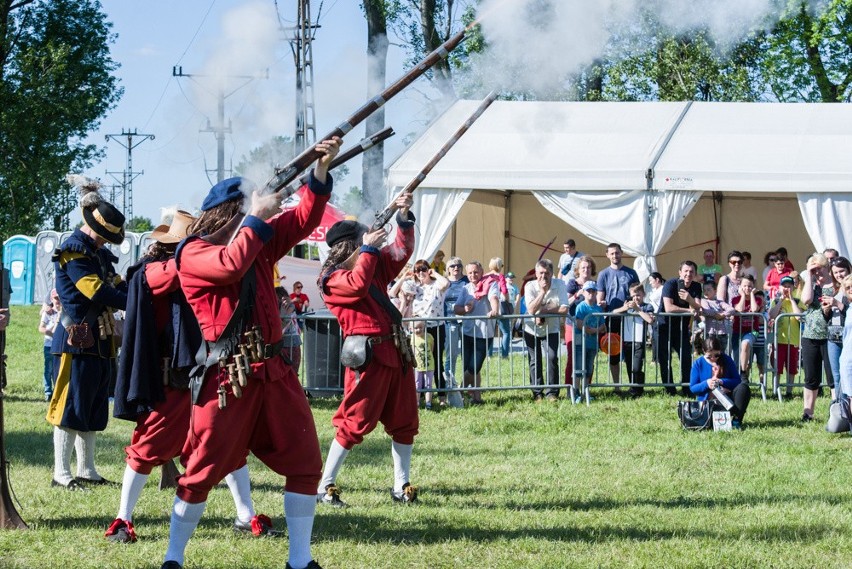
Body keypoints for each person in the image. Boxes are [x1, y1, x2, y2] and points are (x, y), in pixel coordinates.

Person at [161, 137, 341, 569]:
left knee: (304, 462)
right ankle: (173, 558)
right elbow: (230, 265)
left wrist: (319, 170)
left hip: (274, 373)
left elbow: (302, 219)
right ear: (228, 213)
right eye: (245, 210)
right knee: (202, 469)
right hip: (228, 377)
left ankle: (300, 560)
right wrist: (257, 219)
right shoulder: (194, 253)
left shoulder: (255, 239)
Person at [106, 211, 277, 545]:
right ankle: (122, 518)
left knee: (228, 443)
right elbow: (179, 272)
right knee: (147, 447)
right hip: (171, 381)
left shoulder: (199, 264)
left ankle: (246, 515)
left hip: (206, 372)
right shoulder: (152, 271)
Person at [315, 193, 419, 509]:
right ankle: (325, 484)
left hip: (395, 351)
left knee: (404, 421)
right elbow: (357, 285)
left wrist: (403, 218)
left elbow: (402, 252)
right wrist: (371, 248)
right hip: (368, 357)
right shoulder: (331, 279)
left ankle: (402, 485)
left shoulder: (370, 265)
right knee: (353, 422)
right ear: (351, 246)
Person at [47, 180, 128, 491]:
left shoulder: (98, 254)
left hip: (99, 339)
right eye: (106, 236)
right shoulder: (73, 250)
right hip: (75, 338)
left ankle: (87, 469)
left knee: (92, 405)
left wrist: (140, 289)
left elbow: (117, 283)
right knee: (69, 406)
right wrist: (132, 302)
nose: (107, 242)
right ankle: (60, 473)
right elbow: (94, 290)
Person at [454, 261, 500, 405]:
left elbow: (494, 298)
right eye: (470, 273)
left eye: (476, 272)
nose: (473, 275)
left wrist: (494, 310)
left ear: (482, 271)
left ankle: (458, 391)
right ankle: (477, 398)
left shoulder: (491, 284)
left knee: (474, 368)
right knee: (470, 368)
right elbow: (456, 309)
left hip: (485, 334)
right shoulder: (466, 288)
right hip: (467, 332)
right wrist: (465, 310)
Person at [523, 259, 568, 401]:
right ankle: (537, 393)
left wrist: (544, 310)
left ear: (552, 273)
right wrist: (542, 292)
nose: (544, 276)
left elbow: (564, 308)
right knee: (534, 361)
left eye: (547, 273)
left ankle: (552, 393)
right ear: (536, 273)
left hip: (552, 329)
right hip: (531, 329)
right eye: (541, 273)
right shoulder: (529, 285)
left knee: (552, 358)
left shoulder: (560, 284)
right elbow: (531, 309)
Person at [596, 243, 640, 386]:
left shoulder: (631, 273)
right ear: (607, 255)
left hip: (629, 318)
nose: (615, 255)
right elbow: (600, 296)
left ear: (622, 253)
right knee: (614, 353)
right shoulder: (603, 274)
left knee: (630, 352)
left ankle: (633, 385)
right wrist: (601, 303)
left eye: (617, 253)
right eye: (612, 253)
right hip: (612, 317)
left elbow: (638, 293)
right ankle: (617, 385)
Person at [656, 261, 702, 395]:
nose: (688, 274)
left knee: (686, 358)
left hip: (681, 328)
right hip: (664, 326)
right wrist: (689, 310)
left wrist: (689, 299)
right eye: (686, 271)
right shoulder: (670, 284)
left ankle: (687, 388)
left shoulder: (696, 286)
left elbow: (698, 307)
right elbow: (669, 308)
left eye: (691, 271)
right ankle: (670, 390)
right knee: (665, 359)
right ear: (680, 272)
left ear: (695, 274)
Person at [798, 253, 834, 422]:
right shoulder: (811, 284)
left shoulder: (834, 285)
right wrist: (809, 276)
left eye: (819, 268)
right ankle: (808, 413)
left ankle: (836, 410)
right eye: (814, 269)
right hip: (810, 335)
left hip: (831, 336)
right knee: (811, 377)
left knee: (832, 376)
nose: (817, 272)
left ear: (826, 267)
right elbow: (806, 300)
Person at [690, 337, 751, 428]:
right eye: (709, 356)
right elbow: (693, 388)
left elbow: (737, 380)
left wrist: (722, 382)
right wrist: (707, 383)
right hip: (708, 404)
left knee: (743, 388)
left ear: (720, 351)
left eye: (716, 355)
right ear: (703, 351)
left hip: (728, 402)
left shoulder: (727, 360)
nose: (713, 358)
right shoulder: (698, 363)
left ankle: (737, 420)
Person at [611, 283, 654, 398]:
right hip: (627, 341)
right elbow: (613, 313)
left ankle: (637, 388)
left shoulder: (647, 306)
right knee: (630, 366)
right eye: (633, 296)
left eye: (638, 295)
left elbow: (650, 319)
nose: (636, 298)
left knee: (636, 367)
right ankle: (634, 388)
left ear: (643, 294)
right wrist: (624, 308)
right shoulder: (627, 306)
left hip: (639, 341)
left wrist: (638, 309)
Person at [563, 256, 597, 385]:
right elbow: (566, 303)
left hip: (591, 326)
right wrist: (578, 294)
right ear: (578, 269)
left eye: (588, 267)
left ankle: (586, 388)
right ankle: (570, 388)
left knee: (589, 357)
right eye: (583, 267)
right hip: (573, 325)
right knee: (573, 357)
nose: (586, 270)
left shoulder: (595, 284)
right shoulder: (573, 283)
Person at [768, 275, 802, 398]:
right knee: (777, 367)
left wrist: (792, 300)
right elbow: (771, 315)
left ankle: (789, 391)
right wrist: (781, 300)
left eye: (789, 286)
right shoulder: (776, 301)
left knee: (792, 367)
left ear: (793, 287)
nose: (787, 289)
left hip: (792, 340)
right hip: (779, 340)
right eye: (784, 286)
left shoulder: (798, 301)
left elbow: (799, 316)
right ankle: (776, 390)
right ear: (780, 287)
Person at [573, 280, 605, 402]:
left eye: (593, 291)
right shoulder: (581, 306)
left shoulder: (598, 308)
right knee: (579, 368)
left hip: (592, 343)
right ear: (584, 293)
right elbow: (580, 325)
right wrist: (594, 330)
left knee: (589, 368)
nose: (591, 293)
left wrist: (594, 330)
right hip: (580, 342)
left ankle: (585, 391)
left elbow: (603, 325)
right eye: (588, 291)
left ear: (596, 292)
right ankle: (575, 392)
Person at [825, 257, 851, 394]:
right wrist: (826, 310)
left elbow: (849, 313)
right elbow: (828, 317)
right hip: (833, 336)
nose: (839, 275)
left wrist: (838, 304)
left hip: (848, 337)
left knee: (847, 374)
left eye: (842, 271)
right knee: (836, 375)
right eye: (835, 273)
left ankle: (847, 405)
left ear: (848, 269)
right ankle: (838, 406)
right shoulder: (833, 289)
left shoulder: (850, 289)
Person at [442, 256, 468, 393]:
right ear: (448, 269)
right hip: (449, 322)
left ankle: (466, 385)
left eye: (458, 265)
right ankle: (449, 385)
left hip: (466, 322)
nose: (456, 268)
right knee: (451, 355)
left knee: (467, 354)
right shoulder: (444, 282)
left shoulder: (467, 281)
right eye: (452, 266)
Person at [730, 274, 764, 378]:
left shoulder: (758, 300)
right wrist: (743, 296)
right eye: (744, 286)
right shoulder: (735, 299)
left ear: (753, 287)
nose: (747, 288)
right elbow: (739, 309)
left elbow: (754, 309)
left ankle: (743, 374)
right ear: (740, 286)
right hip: (737, 331)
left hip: (753, 331)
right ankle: (737, 376)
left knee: (745, 344)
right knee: (736, 357)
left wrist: (752, 295)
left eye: (750, 286)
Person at [482, 257, 511, 358]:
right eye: (502, 265)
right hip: (499, 305)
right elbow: (504, 290)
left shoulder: (485, 276)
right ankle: (504, 355)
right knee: (506, 332)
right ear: (499, 266)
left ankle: (489, 355)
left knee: (490, 332)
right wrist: (508, 301)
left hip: (487, 306)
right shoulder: (500, 276)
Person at [38, 290, 61, 401]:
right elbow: (41, 328)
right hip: (49, 345)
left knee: (59, 369)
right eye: (56, 299)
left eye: (60, 298)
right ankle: (48, 391)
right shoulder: (48, 313)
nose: (58, 301)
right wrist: (51, 333)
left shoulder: (65, 312)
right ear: (51, 300)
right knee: (49, 369)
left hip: (60, 346)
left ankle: (58, 390)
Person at [698, 280, 733, 352]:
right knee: (710, 351)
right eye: (704, 290)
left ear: (715, 290)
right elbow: (706, 310)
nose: (706, 292)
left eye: (708, 290)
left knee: (721, 353)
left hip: (722, 332)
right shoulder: (704, 301)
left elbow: (731, 309)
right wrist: (717, 314)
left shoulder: (720, 302)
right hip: (710, 332)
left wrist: (722, 314)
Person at [411, 319, 435, 410]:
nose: (418, 330)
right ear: (412, 328)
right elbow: (412, 351)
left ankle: (428, 403)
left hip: (429, 365)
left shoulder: (429, 337)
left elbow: (431, 348)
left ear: (424, 327)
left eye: (420, 327)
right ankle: (416, 403)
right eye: (415, 328)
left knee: (428, 384)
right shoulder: (412, 338)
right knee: (417, 384)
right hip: (417, 366)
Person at [278, 287, 303, 373]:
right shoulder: (285, 308)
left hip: (292, 345)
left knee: (293, 374)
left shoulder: (289, 307)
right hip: (285, 345)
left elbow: (281, 328)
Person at [836, 274, 852, 397]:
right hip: (848, 357)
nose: (851, 290)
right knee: (850, 396)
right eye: (848, 288)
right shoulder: (849, 309)